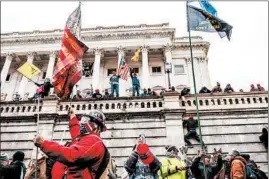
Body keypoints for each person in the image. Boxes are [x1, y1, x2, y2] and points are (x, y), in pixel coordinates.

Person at [33, 109, 109, 179]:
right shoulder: (85, 138)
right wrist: (72, 117)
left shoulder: (94, 141)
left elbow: (72, 155)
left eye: (86, 120)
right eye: (82, 119)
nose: (82, 123)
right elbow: (75, 130)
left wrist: (44, 144)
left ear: (95, 126)